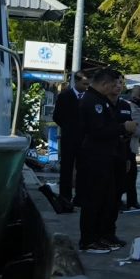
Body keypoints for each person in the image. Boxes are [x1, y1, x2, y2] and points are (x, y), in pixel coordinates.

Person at [76, 68, 132, 253]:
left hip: (107, 156)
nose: (115, 87)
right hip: (94, 157)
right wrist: (122, 127)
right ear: (104, 84)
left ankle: (100, 236)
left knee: (105, 199)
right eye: (113, 84)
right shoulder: (92, 101)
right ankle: (88, 240)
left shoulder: (101, 101)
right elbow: (97, 131)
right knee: (92, 200)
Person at [53, 69, 89, 206]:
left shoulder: (88, 97)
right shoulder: (65, 96)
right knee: (66, 168)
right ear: (77, 81)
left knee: (83, 168)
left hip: (85, 139)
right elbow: (57, 116)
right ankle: (65, 197)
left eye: (88, 84)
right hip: (69, 138)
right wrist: (68, 127)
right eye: (84, 83)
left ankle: (80, 197)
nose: (86, 86)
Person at [115, 80, 140, 212]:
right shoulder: (128, 106)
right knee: (125, 174)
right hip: (126, 145)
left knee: (132, 175)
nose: (138, 97)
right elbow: (134, 130)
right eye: (136, 94)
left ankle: (132, 200)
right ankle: (119, 200)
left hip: (131, 146)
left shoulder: (132, 106)